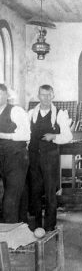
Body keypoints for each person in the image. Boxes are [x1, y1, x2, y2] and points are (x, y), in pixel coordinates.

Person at [28, 84, 73, 231]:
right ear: (38, 96)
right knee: (34, 192)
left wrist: (54, 136)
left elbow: (68, 136)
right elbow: (26, 136)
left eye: (48, 95)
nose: (45, 98)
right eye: (42, 95)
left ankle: (49, 226)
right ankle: (36, 227)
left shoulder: (59, 114)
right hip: (33, 158)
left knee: (50, 193)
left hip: (50, 158)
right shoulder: (30, 114)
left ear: (53, 96)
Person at [0, 84, 30, 223]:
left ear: (6, 95)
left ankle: (12, 241)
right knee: (13, 198)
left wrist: (2, 135)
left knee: (10, 201)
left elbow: (25, 135)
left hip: (16, 157)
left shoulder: (16, 111)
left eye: (1, 93)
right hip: (2, 158)